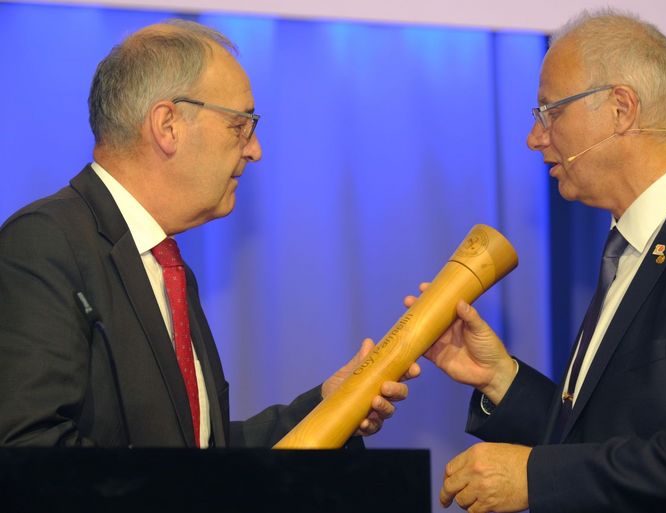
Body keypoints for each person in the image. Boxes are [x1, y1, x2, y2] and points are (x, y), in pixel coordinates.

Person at [410, 9, 666, 513]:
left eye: (549, 111)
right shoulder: (630, 247)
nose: (534, 137)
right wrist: (500, 378)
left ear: (621, 109)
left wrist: (535, 477)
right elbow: (609, 435)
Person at [0, 20, 418, 448]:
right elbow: (29, 454)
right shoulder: (44, 245)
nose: (255, 150)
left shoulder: (166, 266)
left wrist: (330, 407)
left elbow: (201, 458)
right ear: (168, 126)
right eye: (240, 125)